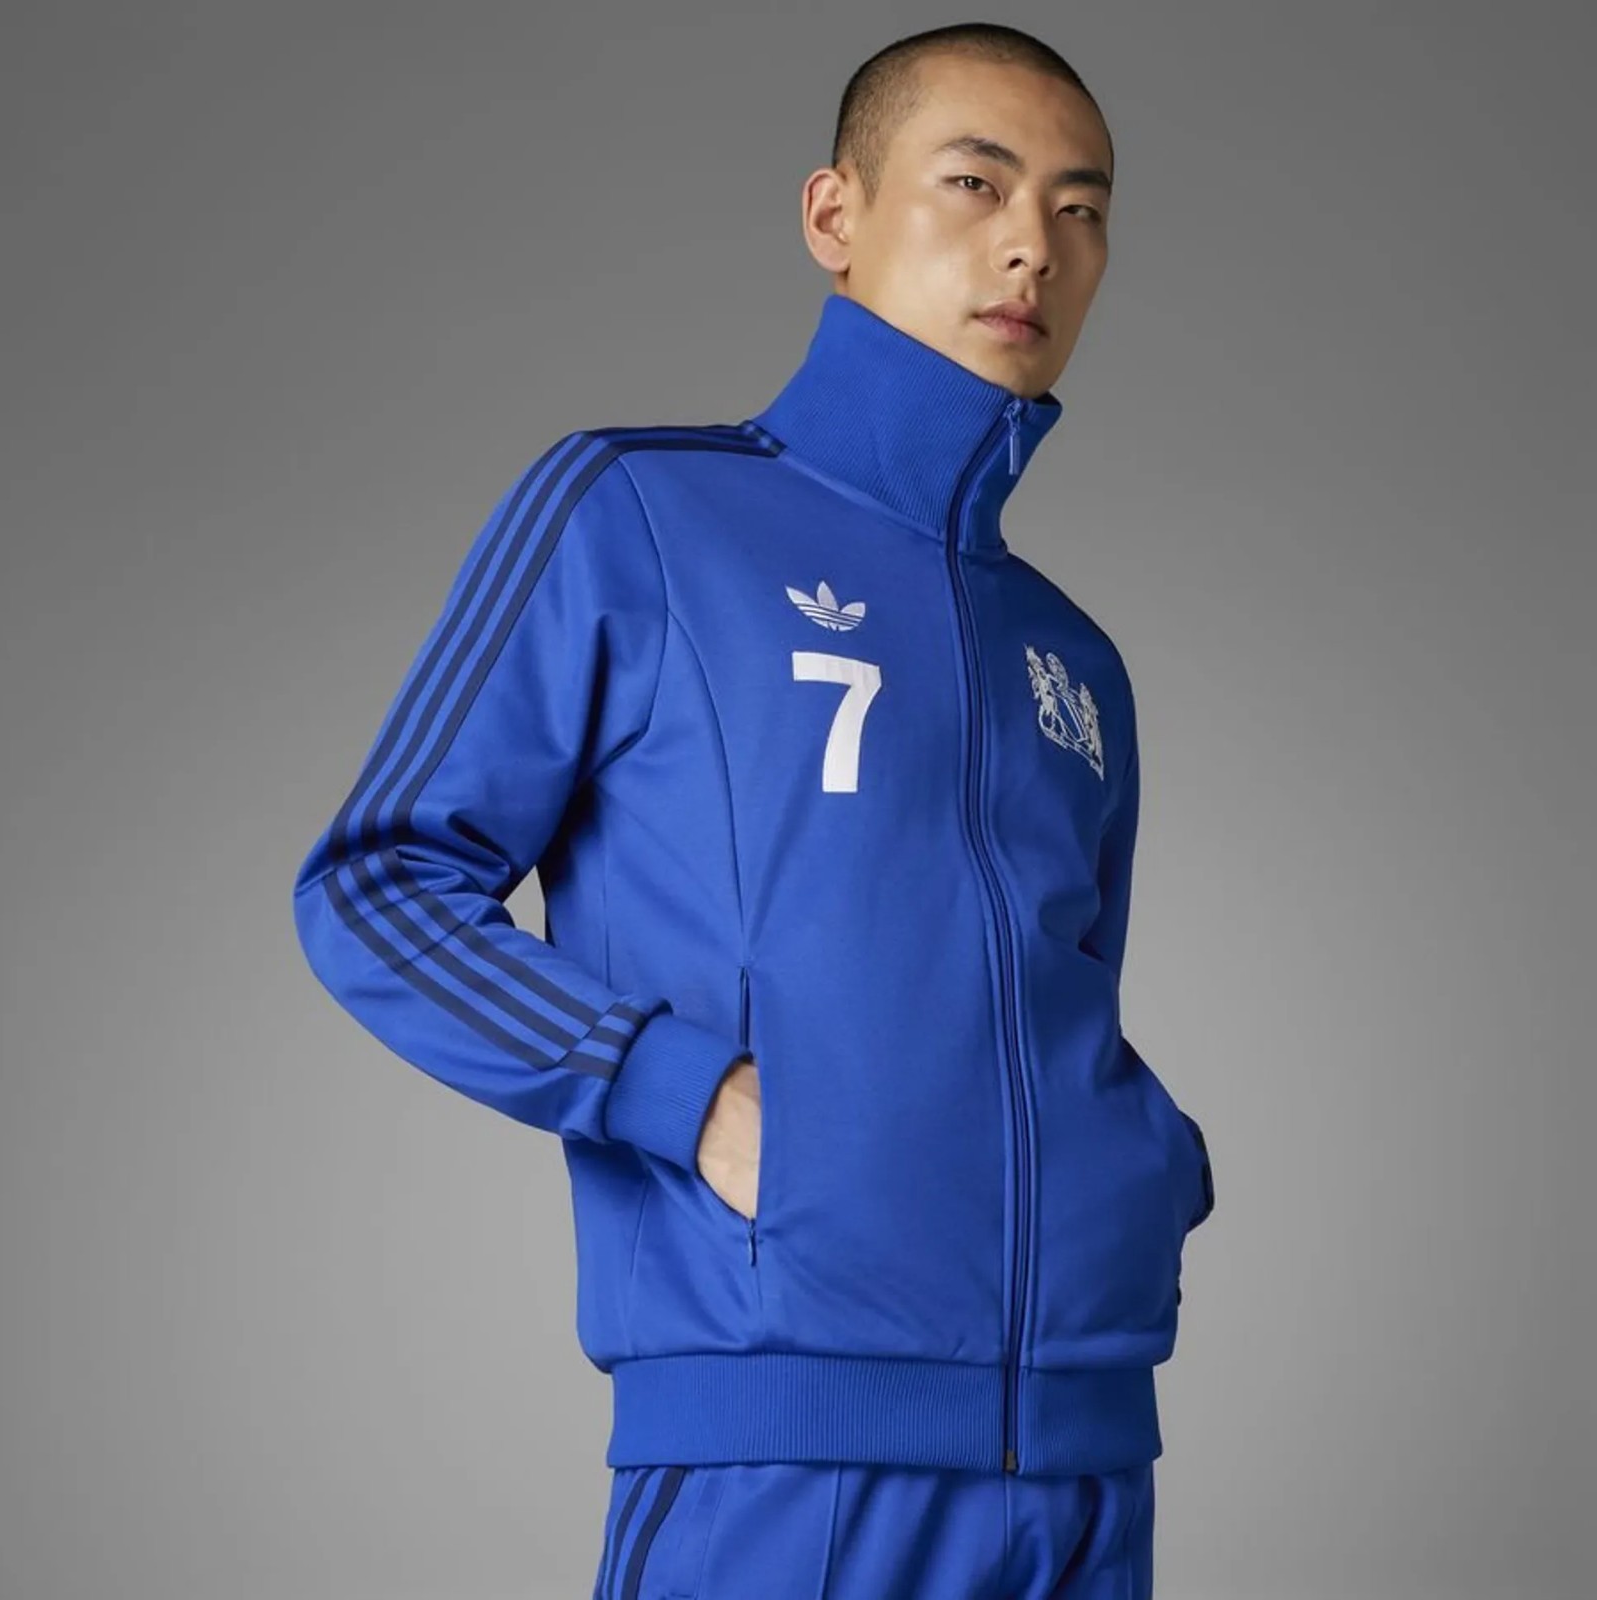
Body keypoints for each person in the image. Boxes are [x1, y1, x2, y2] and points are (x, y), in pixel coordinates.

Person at [291, 20, 1215, 1599]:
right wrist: (681, 1094)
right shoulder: (642, 511)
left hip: (1086, 1459)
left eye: (1081, 210)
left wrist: (1144, 1173)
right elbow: (374, 889)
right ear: (835, 215)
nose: (1033, 246)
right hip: (783, 1449)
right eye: (977, 183)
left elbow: (1068, 991)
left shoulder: (1073, 658)